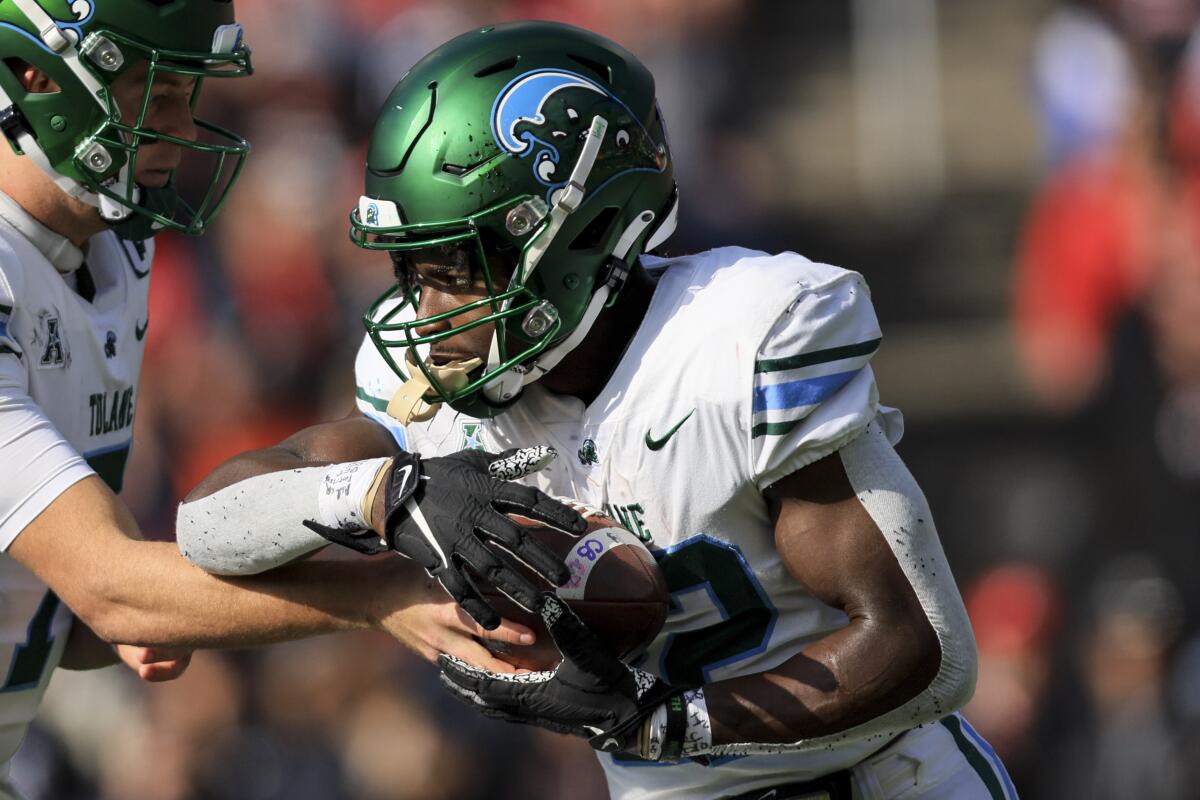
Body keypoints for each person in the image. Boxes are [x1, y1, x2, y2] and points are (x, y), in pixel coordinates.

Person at [177, 20, 1015, 800]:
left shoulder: (735, 337)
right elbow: (207, 525)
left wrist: (662, 724)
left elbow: (926, 652)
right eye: (414, 268)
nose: (428, 311)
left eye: (461, 265)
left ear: (583, 229)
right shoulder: (422, 384)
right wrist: (377, 498)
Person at [0, 2, 548, 792]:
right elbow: (111, 586)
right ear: (36, 75)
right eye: (154, 95)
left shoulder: (107, 247)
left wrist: (162, 605)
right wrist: (380, 597)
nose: (181, 126)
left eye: (189, 91)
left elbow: (82, 611)